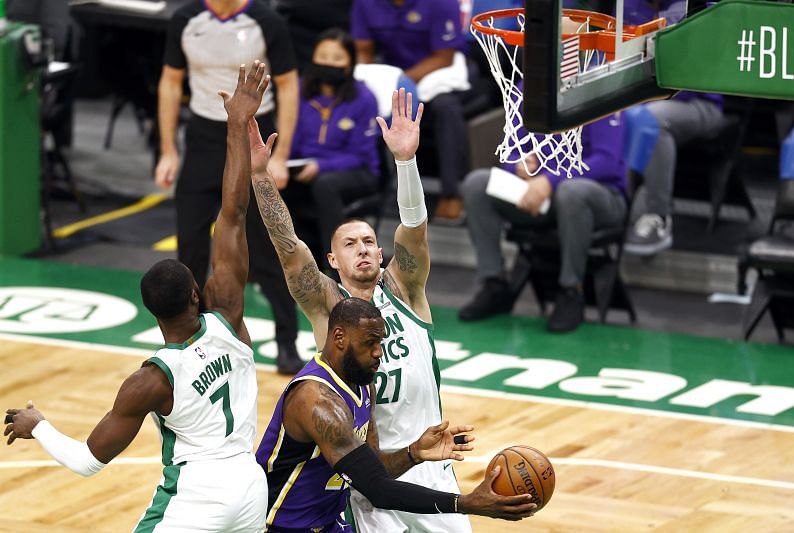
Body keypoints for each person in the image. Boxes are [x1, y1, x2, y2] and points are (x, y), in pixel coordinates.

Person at [5, 61, 273, 532]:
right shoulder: (227, 315)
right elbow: (233, 212)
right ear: (197, 294)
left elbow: (89, 461)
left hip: (198, 496)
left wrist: (38, 425)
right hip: (250, 487)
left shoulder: (150, 380)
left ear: (151, 313)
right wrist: (236, 126)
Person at [250, 88, 475, 531]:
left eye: (370, 241)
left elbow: (415, 227)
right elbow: (288, 246)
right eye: (350, 244)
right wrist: (260, 177)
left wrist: (406, 162)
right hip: (367, 473)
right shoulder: (328, 306)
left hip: (427, 461)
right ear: (333, 261)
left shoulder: (407, 290)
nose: (363, 249)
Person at [256, 297, 536, 531]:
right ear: (339, 337)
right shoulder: (318, 402)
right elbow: (376, 489)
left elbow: (375, 469)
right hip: (279, 523)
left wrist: (414, 452)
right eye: (370, 342)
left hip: (328, 521)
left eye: (380, 342)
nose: (379, 352)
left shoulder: (363, 381)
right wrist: (465, 503)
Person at [155, 0, 304, 374]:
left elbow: (288, 86)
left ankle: (287, 342)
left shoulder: (266, 20)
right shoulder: (186, 19)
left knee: (266, 252)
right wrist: (168, 150)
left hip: (253, 134)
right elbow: (171, 82)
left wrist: (282, 153)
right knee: (188, 248)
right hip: (203, 138)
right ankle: (193, 344)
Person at [458, 113, 628, 332]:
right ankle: (494, 284)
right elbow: (510, 149)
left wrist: (550, 180)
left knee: (572, 192)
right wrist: (519, 166)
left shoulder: (599, 85)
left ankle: (571, 290)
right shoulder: (528, 86)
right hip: (541, 194)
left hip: (601, 196)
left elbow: (606, 162)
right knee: (477, 184)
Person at [351, 0, 471, 221]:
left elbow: (445, 57)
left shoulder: (442, 3)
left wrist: (402, 83)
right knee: (361, 100)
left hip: (438, 71)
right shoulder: (365, 3)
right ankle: (374, 187)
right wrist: (365, 83)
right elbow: (363, 51)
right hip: (391, 69)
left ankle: (452, 193)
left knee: (447, 108)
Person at [291, 28, 381, 259]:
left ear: (350, 63)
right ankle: (290, 263)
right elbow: (292, 138)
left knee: (325, 185)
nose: (328, 64)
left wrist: (320, 166)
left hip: (357, 170)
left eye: (337, 58)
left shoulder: (363, 97)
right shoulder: (299, 91)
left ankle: (335, 263)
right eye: (323, 57)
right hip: (306, 166)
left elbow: (360, 153)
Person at [623, 92, 724, 255]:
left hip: (700, 102)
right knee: (616, 116)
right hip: (646, 99)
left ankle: (658, 216)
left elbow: (683, 82)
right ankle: (619, 209)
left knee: (649, 119)